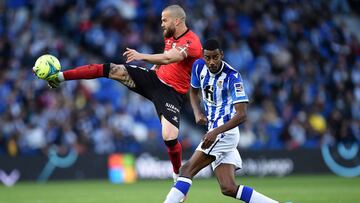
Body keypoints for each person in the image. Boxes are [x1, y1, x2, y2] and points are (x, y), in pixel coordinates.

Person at [41, 5, 202, 181]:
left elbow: (170, 57)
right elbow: (165, 58)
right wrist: (154, 68)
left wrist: (141, 56)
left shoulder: (192, 43)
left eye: (165, 20)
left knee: (169, 136)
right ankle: (61, 77)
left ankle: (178, 175)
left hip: (171, 93)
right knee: (113, 69)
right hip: (154, 79)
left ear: (177, 21)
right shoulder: (171, 36)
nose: (162, 24)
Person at [163, 39, 279, 203]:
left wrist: (215, 132)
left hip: (224, 133)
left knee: (186, 170)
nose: (211, 62)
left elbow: (242, 115)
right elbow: (193, 92)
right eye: (208, 57)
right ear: (203, 56)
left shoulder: (232, 77)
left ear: (221, 55)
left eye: (215, 57)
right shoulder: (198, 66)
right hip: (214, 131)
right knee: (228, 188)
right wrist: (197, 113)